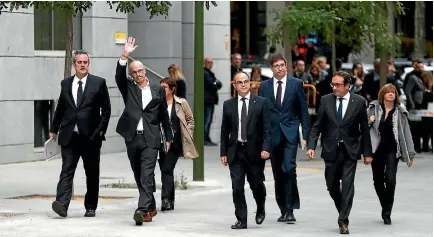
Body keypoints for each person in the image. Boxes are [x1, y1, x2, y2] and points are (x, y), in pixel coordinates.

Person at [115, 37, 173, 225]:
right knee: (139, 174)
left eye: (140, 70)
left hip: (151, 138)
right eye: (134, 72)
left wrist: (169, 136)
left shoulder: (157, 89)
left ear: (145, 71)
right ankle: (151, 207)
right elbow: (118, 76)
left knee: (147, 173)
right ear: (131, 75)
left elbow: (164, 114)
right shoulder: (129, 88)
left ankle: (141, 209)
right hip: (132, 137)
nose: (138, 74)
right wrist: (125, 55)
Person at [306, 71, 373, 234]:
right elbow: (317, 126)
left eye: (338, 85)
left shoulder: (359, 102)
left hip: (350, 150)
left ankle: (343, 220)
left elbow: (364, 129)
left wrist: (367, 153)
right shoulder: (325, 100)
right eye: (333, 84)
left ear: (347, 86)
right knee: (331, 184)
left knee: (348, 185)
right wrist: (312, 146)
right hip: (331, 149)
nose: (334, 88)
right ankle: (343, 208)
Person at [49, 50, 111, 218]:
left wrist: (99, 132)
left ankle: (90, 206)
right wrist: (54, 129)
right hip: (70, 136)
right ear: (74, 64)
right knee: (67, 170)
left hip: (91, 137)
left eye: (85, 62)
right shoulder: (66, 84)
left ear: (88, 64)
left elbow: (106, 110)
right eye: (79, 62)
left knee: (91, 173)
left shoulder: (98, 83)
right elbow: (61, 107)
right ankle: (62, 203)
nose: (83, 65)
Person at [258, 53, 309, 223]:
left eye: (282, 65)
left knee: (288, 169)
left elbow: (303, 111)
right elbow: (261, 114)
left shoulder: (296, 84)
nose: (280, 68)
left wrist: (306, 135)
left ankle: (291, 208)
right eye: (276, 65)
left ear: (287, 65)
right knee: (278, 173)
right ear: (271, 68)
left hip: (290, 133)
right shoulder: (264, 86)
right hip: (272, 135)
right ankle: (283, 208)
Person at [220, 71, 271, 229]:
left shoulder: (261, 103)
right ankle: (241, 219)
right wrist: (223, 152)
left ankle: (260, 206)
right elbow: (224, 130)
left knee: (256, 184)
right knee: (237, 187)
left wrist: (266, 148)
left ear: (250, 84)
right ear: (234, 85)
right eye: (239, 82)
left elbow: (267, 129)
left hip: (255, 152)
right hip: (235, 151)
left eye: (245, 81)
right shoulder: (228, 104)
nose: (243, 84)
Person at [366, 83, 415, 225]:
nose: (391, 94)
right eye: (388, 92)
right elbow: (362, 127)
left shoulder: (400, 112)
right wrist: (369, 121)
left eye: (393, 92)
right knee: (378, 180)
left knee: (391, 179)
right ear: (383, 94)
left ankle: (387, 212)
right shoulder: (373, 109)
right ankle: (385, 204)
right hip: (377, 149)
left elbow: (406, 133)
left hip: (393, 150)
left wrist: (410, 155)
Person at [158, 77, 199, 211]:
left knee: (167, 169)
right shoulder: (157, 102)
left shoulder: (181, 103)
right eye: (160, 87)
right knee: (166, 170)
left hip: (175, 143)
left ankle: (165, 199)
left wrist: (188, 135)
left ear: (172, 89)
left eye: (164, 87)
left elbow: (190, 120)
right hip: (160, 141)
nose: (161, 90)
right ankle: (170, 199)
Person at [204, 57, 221, 146]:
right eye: (208, 62)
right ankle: (205, 138)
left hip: (210, 100)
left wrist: (216, 82)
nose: (210, 64)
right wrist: (216, 82)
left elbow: (218, 84)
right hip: (207, 100)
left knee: (209, 120)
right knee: (206, 120)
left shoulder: (210, 73)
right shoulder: (205, 73)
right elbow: (212, 84)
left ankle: (207, 137)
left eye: (211, 62)